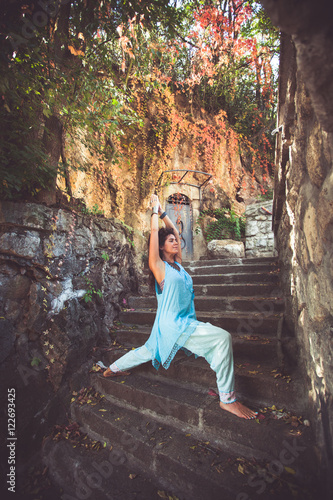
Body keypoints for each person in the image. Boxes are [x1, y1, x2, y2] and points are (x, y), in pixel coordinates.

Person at [103, 194, 257, 419]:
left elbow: (174, 230)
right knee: (222, 338)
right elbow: (155, 234)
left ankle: (112, 369)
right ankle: (227, 399)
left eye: (176, 240)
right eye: (171, 241)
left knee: (148, 350)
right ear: (162, 247)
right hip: (174, 325)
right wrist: (154, 211)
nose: (175, 241)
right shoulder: (159, 266)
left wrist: (165, 214)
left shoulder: (178, 266)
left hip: (181, 322)